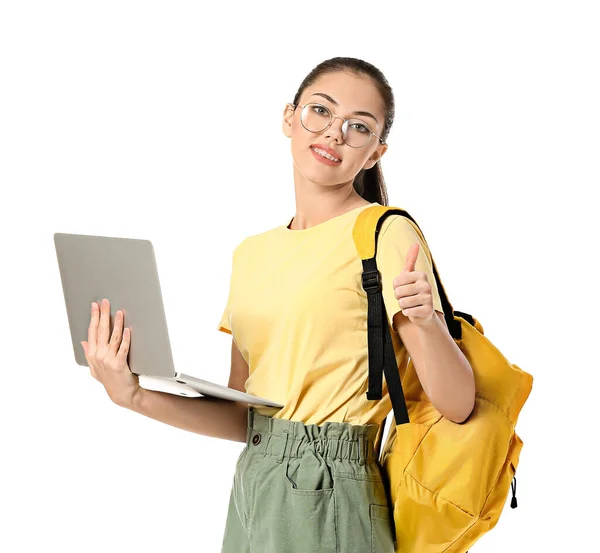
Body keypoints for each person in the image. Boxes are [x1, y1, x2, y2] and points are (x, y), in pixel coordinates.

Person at [81, 56, 475, 553]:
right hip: (254, 487)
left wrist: (428, 323)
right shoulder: (252, 253)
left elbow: (459, 405)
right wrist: (131, 395)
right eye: (321, 111)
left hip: (333, 493)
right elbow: (244, 418)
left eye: (358, 127)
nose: (334, 133)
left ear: (376, 152)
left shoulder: (385, 233)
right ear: (289, 118)